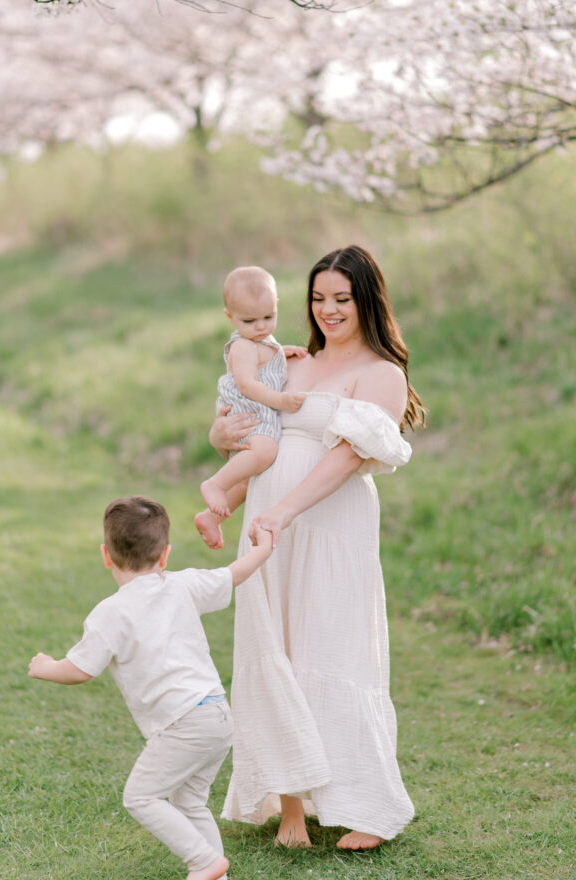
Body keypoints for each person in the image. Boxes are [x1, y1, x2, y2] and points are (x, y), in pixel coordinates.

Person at [204, 245, 425, 851]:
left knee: (334, 648)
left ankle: (370, 806)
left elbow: (350, 456)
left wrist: (285, 509)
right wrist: (220, 435)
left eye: (342, 299)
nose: (328, 310)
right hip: (270, 525)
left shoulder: (381, 372)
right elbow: (253, 434)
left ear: (367, 301)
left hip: (328, 527)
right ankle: (291, 807)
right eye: (318, 298)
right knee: (275, 649)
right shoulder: (289, 362)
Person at [28, 495, 273, 880]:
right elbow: (233, 573)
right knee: (190, 802)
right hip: (217, 715)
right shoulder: (182, 585)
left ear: (106, 556)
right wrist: (264, 548)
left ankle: (205, 862)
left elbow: (78, 670)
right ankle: (217, 876)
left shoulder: (110, 613)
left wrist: (46, 667)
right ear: (165, 554)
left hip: (184, 724)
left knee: (140, 796)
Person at [198, 265, 306, 523]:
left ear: (276, 306)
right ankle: (216, 484)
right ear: (230, 316)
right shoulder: (243, 346)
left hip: (258, 413)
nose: (260, 327)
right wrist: (281, 400)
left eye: (268, 317)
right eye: (249, 321)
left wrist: (281, 353)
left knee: (250, 479)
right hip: (250, 412)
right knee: (265, 452)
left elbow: (265, 358)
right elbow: (247, 384)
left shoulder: (262, 341)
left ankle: (211, 519)